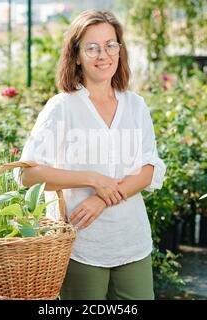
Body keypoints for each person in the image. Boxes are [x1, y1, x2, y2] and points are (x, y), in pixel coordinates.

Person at [14, 9, 166, 300]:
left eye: (111, 45)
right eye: (92, 48)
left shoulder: (135, 106)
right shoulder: (62, 108)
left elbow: (149, 169)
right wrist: (91, 178)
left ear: (120, 50)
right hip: (81, 244)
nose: (103, 55)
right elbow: (27, 175)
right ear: (76, 55)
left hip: (131, 240)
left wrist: (101, 198)